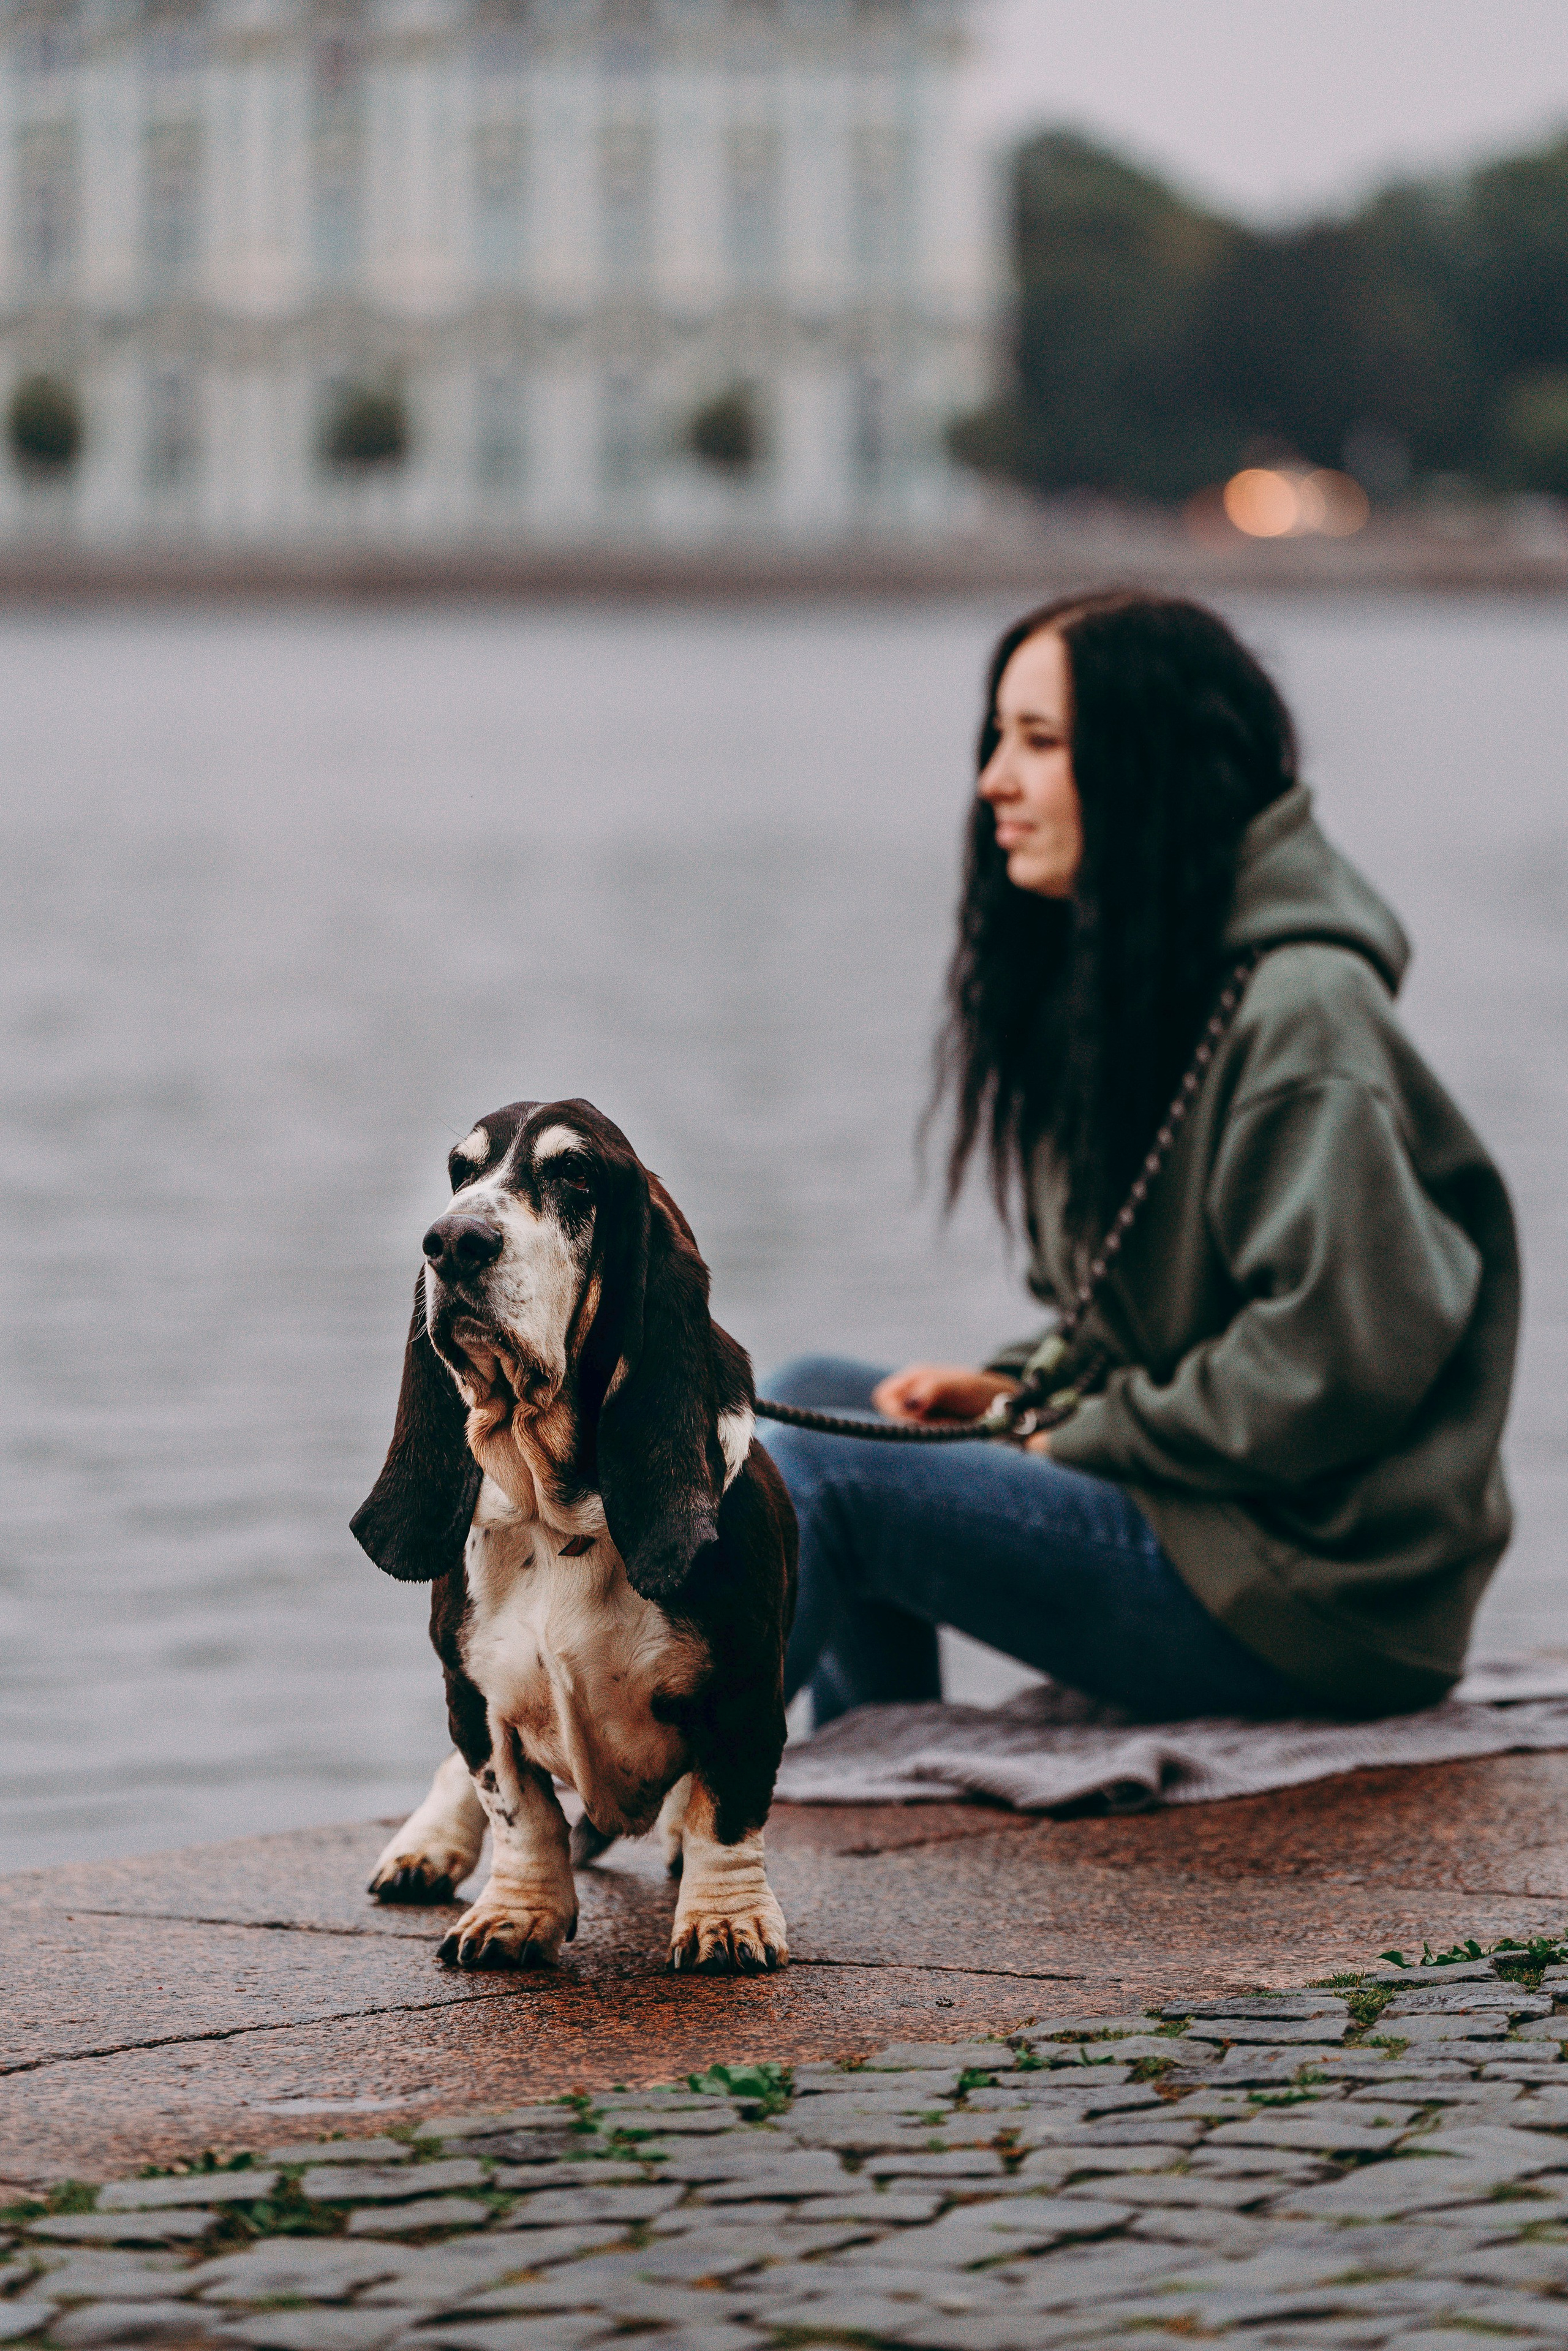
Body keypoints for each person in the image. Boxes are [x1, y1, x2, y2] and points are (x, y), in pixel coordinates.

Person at [763, 592, 1519, 1728]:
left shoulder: (1305, 1013)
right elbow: (1139, 1307)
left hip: (1317, 1596)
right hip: (1208, 1520)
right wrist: (1025, 1386)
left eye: (1040, 743)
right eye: (998, 739)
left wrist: (1076, 1430)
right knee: (814, 1399)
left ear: (1147, 764)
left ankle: (653, 1791)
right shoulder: (1157, 981)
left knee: (825, 1481)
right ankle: (866, 1783)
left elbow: (1332, 1364)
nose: (994, 783)